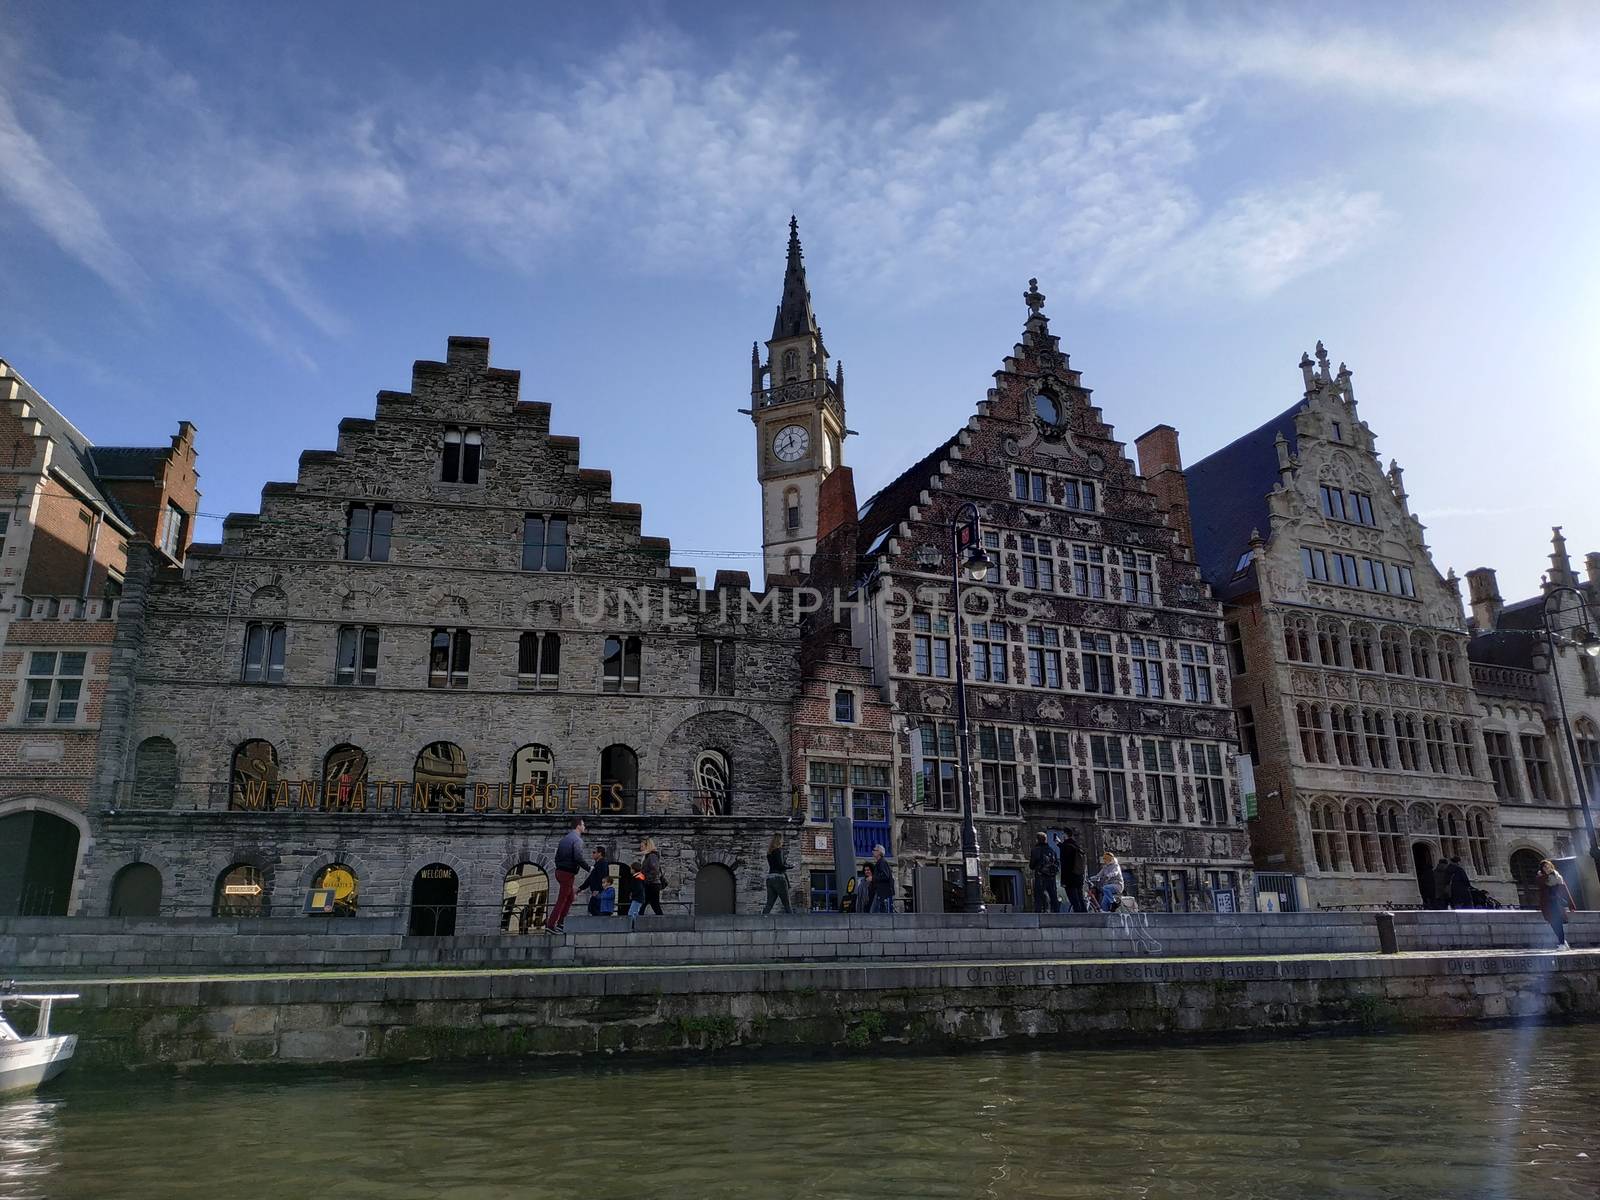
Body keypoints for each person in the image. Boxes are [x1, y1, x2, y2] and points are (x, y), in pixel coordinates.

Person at [548, 815, 586, 934]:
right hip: (567, 873)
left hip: (560, 871)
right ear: (578, 826)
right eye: (583, 824)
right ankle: (551, 924)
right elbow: (578, 857)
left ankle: (561, 922)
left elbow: (557, 857)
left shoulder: (565, 839)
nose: (585, 826)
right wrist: (589, 867)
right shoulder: (577, 840)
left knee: (569, 898)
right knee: (562, 899)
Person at [1537, 858, 1578, 949]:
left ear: (1551, 866)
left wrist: (1571, 904)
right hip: (1547, 904)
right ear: (1542, 869)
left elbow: (1565, 890)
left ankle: (1562, 943)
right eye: (1544, 867)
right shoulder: (1541, 877)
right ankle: (1563, 942)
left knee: (1558, 922)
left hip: (1556, 903)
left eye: (1548, 866)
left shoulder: (1557, 877)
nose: (1547, 868)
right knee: (1553, 923)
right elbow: (1541, 887)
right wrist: (1545, 876)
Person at [1029, 831, 1061, 914]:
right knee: (1053, 896)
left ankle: (1038, 914)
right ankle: (1058, 914)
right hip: (1051, 876)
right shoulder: (1052, 850)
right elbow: (1057, 863)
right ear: (1046, 839)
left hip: (1040, 876)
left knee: (1038, 897)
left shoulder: (1036, 850)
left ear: (1037, 840)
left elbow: (1032, 865)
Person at [763, 833, 793, 915]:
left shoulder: (769, 853)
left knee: (769, 904)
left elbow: (775, 864)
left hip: (769, 878)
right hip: (778, 878)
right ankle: (794, 924)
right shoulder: (779, 850)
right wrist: (790, 866)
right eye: (782, 840)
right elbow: (780, 866)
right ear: (780, 840)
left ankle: (762, 921)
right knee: (787, 904)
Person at [1059, 830, 1087, 913]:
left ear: (1065, 835)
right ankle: (1085, 915)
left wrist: (1063, 881)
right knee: (1080, 897)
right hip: (1079, 876)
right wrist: (1060, 845)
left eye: (1063, 834)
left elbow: (1065, 865)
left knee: (1073, 899)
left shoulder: (1066, 847)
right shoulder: (1076, 846)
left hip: (1070, 878)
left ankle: (1078, 917)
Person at [581, 846, 611, 917]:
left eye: (594, 852)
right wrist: (581, 888)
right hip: (596, 891)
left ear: (599, 853)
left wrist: (598, 889)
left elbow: (603, 877)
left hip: (599, 892)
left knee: (595, 909)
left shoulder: (603, 863)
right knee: (592, 908)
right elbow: (591, 878)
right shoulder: (597, 864)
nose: (593, 854)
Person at [640, 837, 665, 916]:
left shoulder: (652, 856)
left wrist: (646, 880)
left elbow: (655, 870)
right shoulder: (648, 856)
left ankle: (637, 922)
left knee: (651, 904)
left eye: (642, 846)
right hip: (651, 883)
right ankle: (637, 921)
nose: (640, 849)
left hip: (652, 884)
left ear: (647, 846)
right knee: (651, 904)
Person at [868, 845, 895, 913]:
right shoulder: (880, 862)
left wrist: (873, 878)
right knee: (879, 911)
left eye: (874, 850)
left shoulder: (882, 862)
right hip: (881, 891)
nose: (872, 851)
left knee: (876, 911)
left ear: (879, 852)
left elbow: (885, 876)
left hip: (883, 892)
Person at [623, 861, 648, 932]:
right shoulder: (640, 877)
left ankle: (633, 927)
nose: (630, 870)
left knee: (632, 913)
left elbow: (638, 888)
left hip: (637, 898)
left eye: (631, 869)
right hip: (638, 898)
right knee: (634, 912)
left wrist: (632, 894)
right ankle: (633, 927)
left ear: (634, 869)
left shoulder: (637, 878)